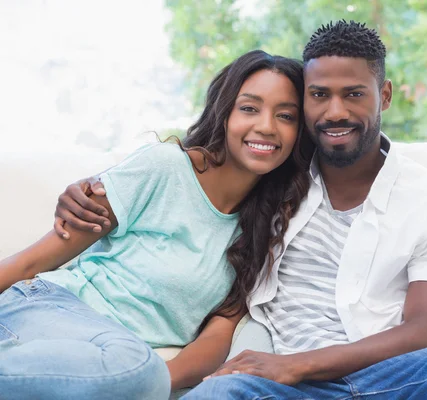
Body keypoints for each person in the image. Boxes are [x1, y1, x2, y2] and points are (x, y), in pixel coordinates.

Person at [53, 21, 427, 400]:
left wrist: (301, 365)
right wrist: (94, 191)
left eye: (354, 94)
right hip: (279, 386)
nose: (335, 111)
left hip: (387, 382)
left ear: (385, 96)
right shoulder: (275, 177)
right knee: (222, 392)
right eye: (318, 95)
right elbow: (195, 170)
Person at [0, 50, 310, 400]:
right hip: (48, 310)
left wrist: (149, 383)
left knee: (135, 369)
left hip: (112, 363)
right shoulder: (163, 167)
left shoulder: (266, 228)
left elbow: (217, 336)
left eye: (285, 116)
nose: (266, 126)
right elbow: (34, 261)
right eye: (249, 108)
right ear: (224, 113)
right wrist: (140, 378)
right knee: (133, 366)